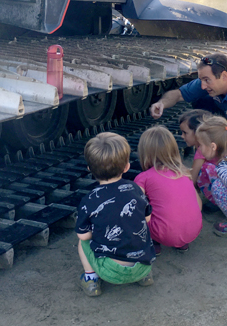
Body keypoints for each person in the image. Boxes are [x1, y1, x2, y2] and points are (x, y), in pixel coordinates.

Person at [75, 132, 156, 297]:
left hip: (110, 272)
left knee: (82, 244)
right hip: (143, 265)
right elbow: (147, 218)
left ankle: (91, 279)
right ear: (126, 166)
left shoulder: (89, 199)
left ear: (90, 169)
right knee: (140, 228)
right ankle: (145, 276)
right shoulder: (136, 189)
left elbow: (83, 236)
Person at [134, 126, 202, 254]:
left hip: (164, 233)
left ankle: (153, 243)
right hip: (194, 230)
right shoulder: (184, 172)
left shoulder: (143, 178)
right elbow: (199, 205)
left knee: (144, 206)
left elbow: (135, 208)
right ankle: (181, 243)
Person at [178, 109, 217, 203]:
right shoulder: (212, 143)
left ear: (197, 132)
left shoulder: (201, 150)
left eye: (185, 132)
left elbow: (193, 178)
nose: (182, 136)